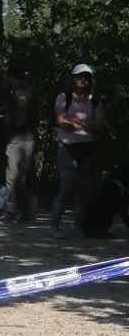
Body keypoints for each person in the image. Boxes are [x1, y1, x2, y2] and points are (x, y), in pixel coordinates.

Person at [50, 63, 105, 237]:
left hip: (87, 147)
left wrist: (76, 122)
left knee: (84, 188)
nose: (83, 80)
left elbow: (100, 123)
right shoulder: (63, 97)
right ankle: (54, 226)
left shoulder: (94, 100)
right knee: (67, 185)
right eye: (80, 76)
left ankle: (79, 226)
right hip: (67, 146)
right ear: (73, 79)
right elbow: (60, 120)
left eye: (87, 77)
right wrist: (84, 124)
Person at [0, 69, 36, 222]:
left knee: (13, 176)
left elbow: (19, 116)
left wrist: (10, 125)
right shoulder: (27, 92)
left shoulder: (20, 93)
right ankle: (26, 211)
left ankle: (12, 211)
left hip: (18, 138)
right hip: (26, 138)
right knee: (22, 176)